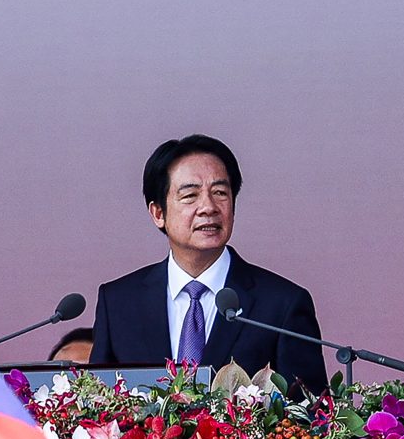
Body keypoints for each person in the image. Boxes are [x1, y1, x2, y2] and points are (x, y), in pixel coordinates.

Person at [90, 134, 327, 392]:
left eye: (220, 193)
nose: (208, 207)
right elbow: (99, 405)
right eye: (190, 195)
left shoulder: (282, 305)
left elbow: (310, 417)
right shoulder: (119, 303)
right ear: (158, 213)